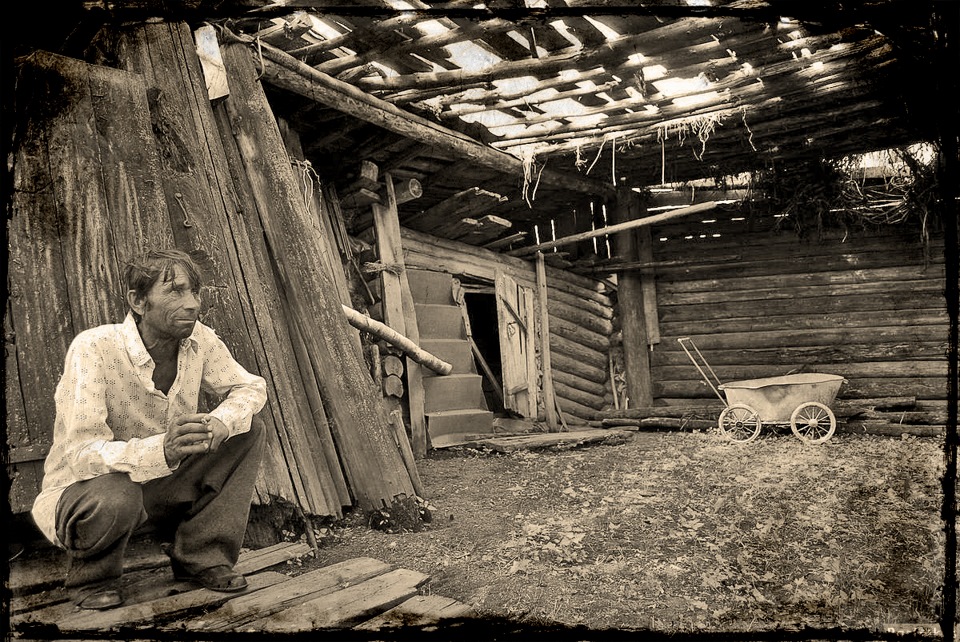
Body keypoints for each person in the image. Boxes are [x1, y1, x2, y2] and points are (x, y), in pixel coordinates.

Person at [30, 249, 268, 610]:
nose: (192, 304)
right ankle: (92, 580)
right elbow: (81, 455)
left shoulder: (198, 339)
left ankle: (202, 558)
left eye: (195, 292)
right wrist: (162, 450)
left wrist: (222, 420)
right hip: (85, 497)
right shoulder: (94, 348)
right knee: (118, 490)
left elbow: (250, 387)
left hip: (156, 489)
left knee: (248, 432)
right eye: (175, 291)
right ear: (138, 301)